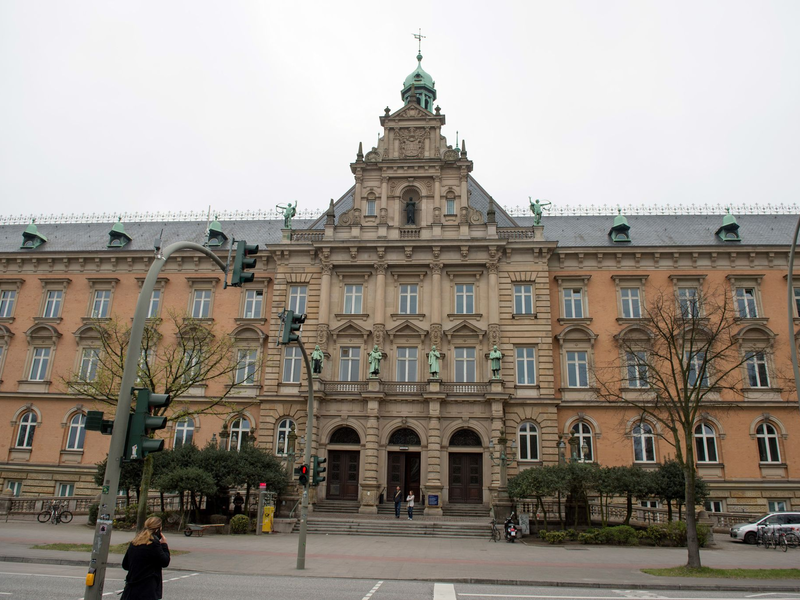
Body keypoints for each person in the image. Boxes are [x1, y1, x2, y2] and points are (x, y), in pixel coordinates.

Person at [120, 516, 170, 600]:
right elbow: (165, 562)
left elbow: (125, 565)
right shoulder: (153, 544)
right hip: (147, 589)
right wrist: (164, 545)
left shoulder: (135, 542)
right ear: (157, 530)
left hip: (131, 589)